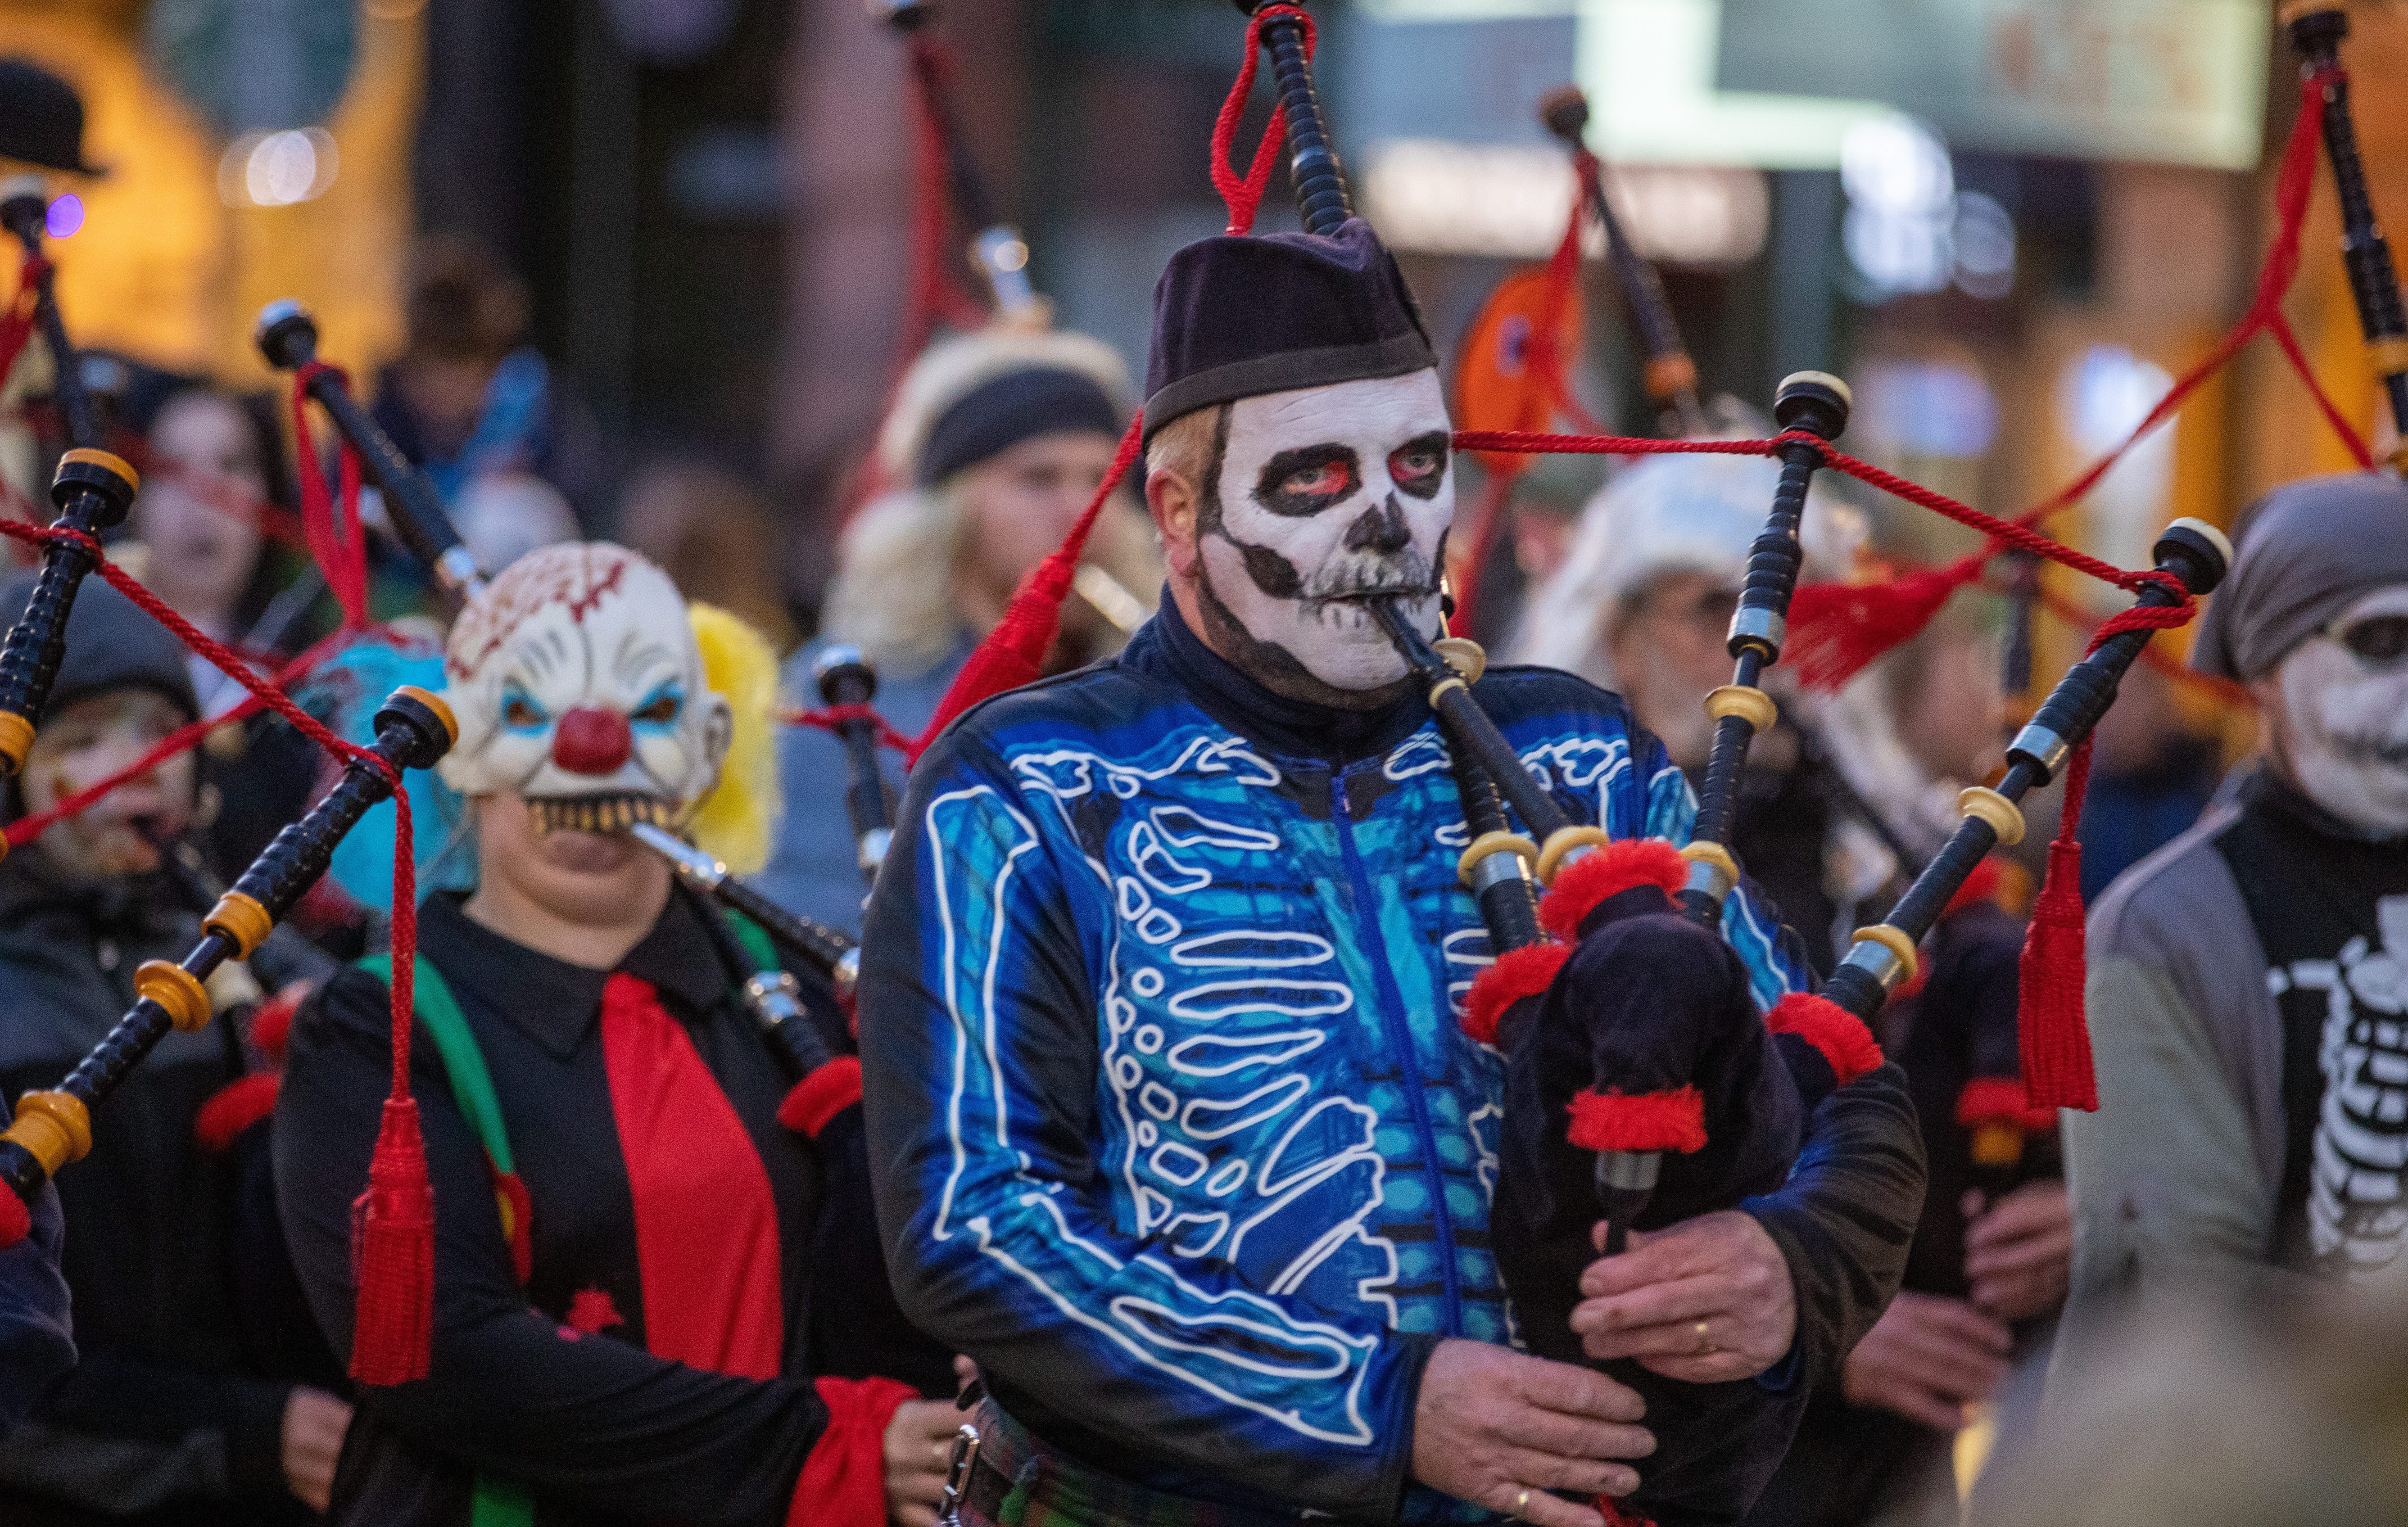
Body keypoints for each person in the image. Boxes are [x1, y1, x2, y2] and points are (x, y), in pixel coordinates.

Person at [861, 218, 1924, 1527]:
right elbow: (973, 1222)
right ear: (1180, 513)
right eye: (1312, 474)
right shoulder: (1021, 785)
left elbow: (1832, 1078)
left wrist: (1789, 1258)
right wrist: (1374, 1402)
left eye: (1420, 463)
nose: (1387, 518)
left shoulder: (1583, 756)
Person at [274, 542, 959, 1527]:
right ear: (454, 746)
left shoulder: (796, 990)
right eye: (528, 714)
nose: (591, 746)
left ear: (709, 745)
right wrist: (822, 1447)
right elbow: (445, 1357)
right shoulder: (373, 1034)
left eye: (648, 711)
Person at [0, 576, 353, 1524]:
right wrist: (233, 1434)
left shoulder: (245, 959)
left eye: (160, 730)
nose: (137, 764)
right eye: (82, 740)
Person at [2062, 474, 2408, 1337]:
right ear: (2265, 663)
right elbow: (2182, 1284)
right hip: (2251, 1459)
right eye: (2381, 639)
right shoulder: (2164, 929)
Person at [757, 326, 1160, 935]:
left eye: (1100, 479)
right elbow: (808, 917)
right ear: (950, 505)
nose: (1082, 510)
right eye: (1039, 478)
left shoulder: (1147, 686)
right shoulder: (847, 697)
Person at [123, 377, 324, 880]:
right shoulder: (69, 656)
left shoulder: (319, 676)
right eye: (174, 469)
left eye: (232, 466)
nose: (206, 497)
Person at [368, 235, 608, 530]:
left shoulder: (531, 403)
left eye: (461, 375)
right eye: (432, 378)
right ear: (410, 368)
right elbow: (340, 498)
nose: (447, 392)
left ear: (492, 364)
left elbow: (582, 495)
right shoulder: (383, 416)